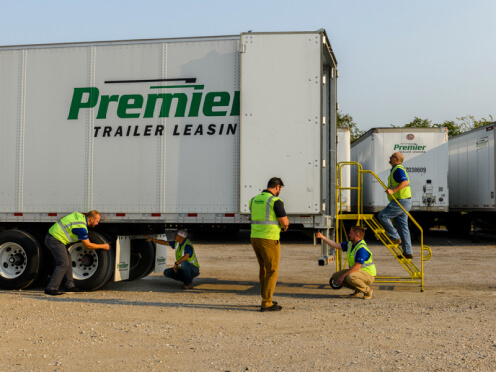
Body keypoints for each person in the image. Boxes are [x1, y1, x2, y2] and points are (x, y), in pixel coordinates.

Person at [44, 210, 110, 296]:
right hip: (54, 240)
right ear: (92, 219)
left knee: (68, 261)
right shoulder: (81, 228)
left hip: (55, 237)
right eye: (97, 221)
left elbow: (63, 218)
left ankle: (70, 287)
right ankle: (51, 289)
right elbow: (88, 245)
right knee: (63, 264)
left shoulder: (78, 215)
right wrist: (103, 246)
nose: (97, 223)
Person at [249, 177, 289, 312]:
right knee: (272, 270)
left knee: (264, 269)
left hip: (255, 237)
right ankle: (266, 302)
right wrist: (285, 225)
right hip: (269, 239)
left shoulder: (254, 200)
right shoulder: (275, 201)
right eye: (280, 189)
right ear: (277, 187)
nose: (280, 191)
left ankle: (266, 297)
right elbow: (284, 222)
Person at [315, 226, 376, 299]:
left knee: (350, 277)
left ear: (357, 235)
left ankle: (367, 291)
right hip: (358, 272)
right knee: (335, 276)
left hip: (368, 274)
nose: (349, 235)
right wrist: (322, 237)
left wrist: (343, 276)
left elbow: (356, 267)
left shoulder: (361, 248)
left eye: (351, 233)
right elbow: (335, 245)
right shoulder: (351, 244)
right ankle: (358, 289)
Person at [377, 151, 413, 259]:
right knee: (403, 227)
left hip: (401, 201)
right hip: (404, 201)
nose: (390, 157)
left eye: (392, 156)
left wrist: (393, 191)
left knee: (383, 215)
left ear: (396, 159)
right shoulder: (396, 169)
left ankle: (394, 236)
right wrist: (392, 189)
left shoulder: (398, 169)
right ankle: (408, 252)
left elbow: (405, 182)